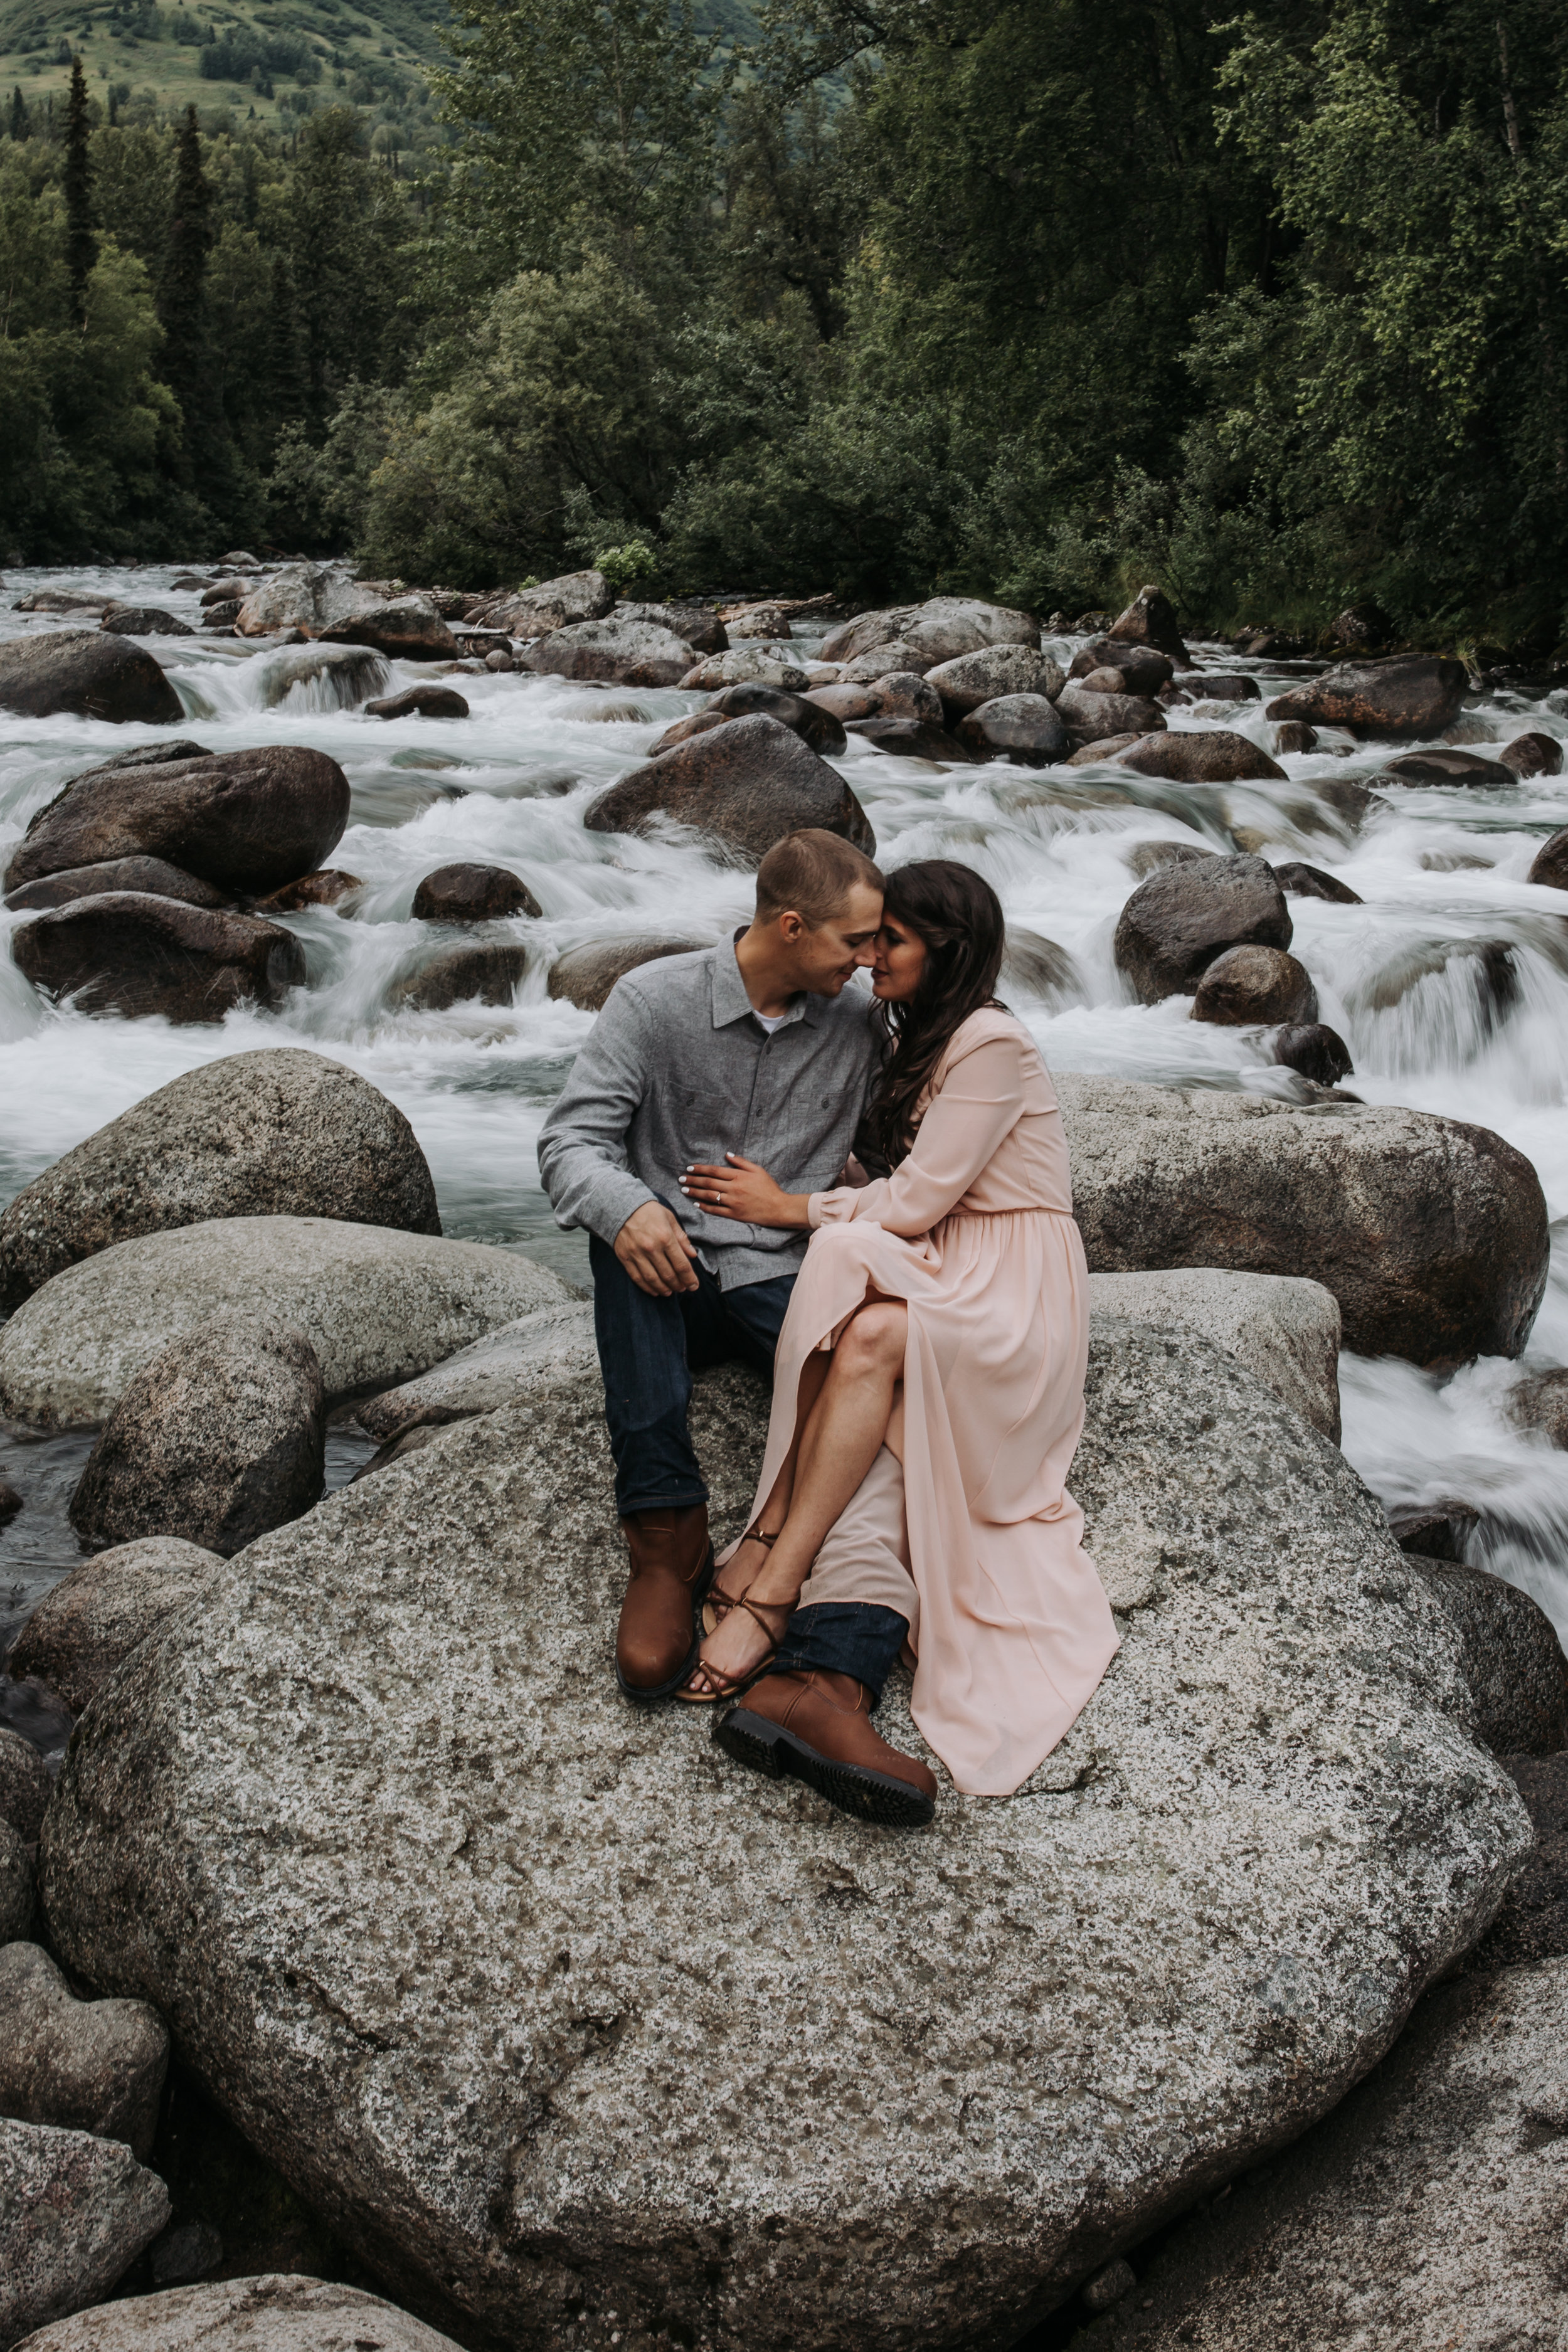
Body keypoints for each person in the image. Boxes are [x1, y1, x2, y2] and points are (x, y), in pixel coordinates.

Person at [674, 858, 1120, 1826]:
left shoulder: (992, 1042)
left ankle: (770, 1573)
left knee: (864, 1310)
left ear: (945, 954)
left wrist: (789, 1208)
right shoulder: (915, 1034)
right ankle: (807, 1635)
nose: (873, 953)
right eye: (868, 938)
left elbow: (917, 1201)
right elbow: (884, 1176)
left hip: (1012, 1292)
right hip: (954, 1266)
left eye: (893, 941)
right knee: (865, 1325)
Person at [536, 827, 885, 1705]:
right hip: (672, 1278)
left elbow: (906, 1149)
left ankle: (811, 1609)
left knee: (878, 1373)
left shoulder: (861, 1020)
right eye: (857, 940)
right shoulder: (653, 1000)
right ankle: (666, 1536)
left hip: (787, 1280)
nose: (873, 958)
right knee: (620, 1234)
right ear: (794, 927)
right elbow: (570, 1142)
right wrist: (630, 1208)